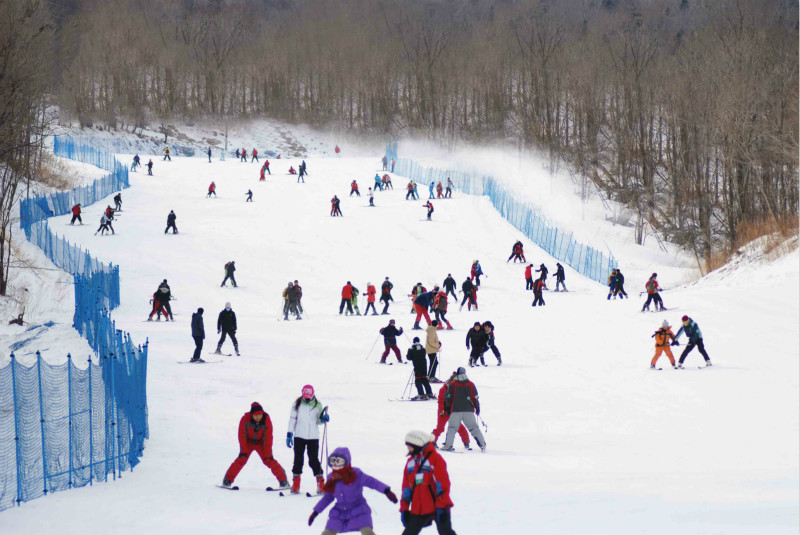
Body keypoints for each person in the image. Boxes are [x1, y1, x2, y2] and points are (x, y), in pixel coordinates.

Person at [308, 447, 398, 534]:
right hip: (339, 513)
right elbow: (327, 498)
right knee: (327, 532)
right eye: (333, 461)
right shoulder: (332, 478)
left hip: (359, 509)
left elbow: (372, 482)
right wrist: (315, 512)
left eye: (339, 461)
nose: (335, 464)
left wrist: (386, 491)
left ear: (346, 462)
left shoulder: (356, 474)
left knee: (367, 531)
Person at [400, 431, 456, 535]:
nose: (408, 448)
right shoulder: (411, 462)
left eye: (410, 446)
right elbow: (406, 487)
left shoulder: (435, 459)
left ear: (417, 445)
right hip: (418, 508)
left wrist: (442, 506)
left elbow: (443, 484)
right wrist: (404, 508)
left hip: (438, 507)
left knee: (446, 532)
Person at [222, 402, 289, 489]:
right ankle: (227, 481)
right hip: (248, 442)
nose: (258, 417)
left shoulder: (266, 420)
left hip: (261, 443)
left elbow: (268, 438)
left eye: (260, 415)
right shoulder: (245, 419)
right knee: (241, 459)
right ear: (251, 415)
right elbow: (242, 435)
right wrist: (243, 450)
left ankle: (283, 482)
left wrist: (268, 453)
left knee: (269, 460)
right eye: (255, 415)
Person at [287, 385, 329, 495]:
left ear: (312, 394)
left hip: (313, 437)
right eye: (305, 397)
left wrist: (323, 419)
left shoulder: (318, 405)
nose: (307, 399)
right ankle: (296, 485)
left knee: (313, 460)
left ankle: (321, 484)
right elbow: (292, 419)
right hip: (299, 436)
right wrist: (289, 433)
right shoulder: (297, 404)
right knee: (298, 460)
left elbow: (319, 421)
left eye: (308, 397)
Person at [441, 367, 486, 452]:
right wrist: (477, 408)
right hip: (468, 410)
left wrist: (447, 408)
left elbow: (448, 397)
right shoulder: (471, 384)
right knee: (474, 428)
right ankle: (482, 444)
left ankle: (448, 445)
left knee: (452, 428)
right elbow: (475, 397)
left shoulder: (453, 384)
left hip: (455, 410)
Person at [431, 373, 470, 450]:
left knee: (459, 427)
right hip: (444, 412)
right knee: (440, 428)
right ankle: (431, 441)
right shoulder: (444, 389)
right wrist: (442, 410)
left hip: (453, 411)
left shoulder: (457, 389)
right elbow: (440, 401)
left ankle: (466, 442)